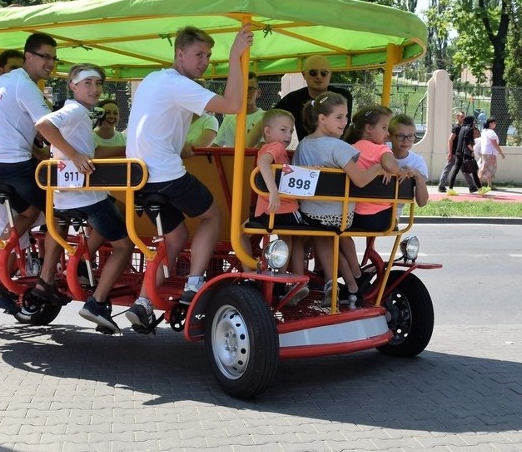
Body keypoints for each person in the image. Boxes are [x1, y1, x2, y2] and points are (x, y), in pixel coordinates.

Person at [123, 24, 253, 331]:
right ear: (179, 54)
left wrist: (180, 148)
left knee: (177, 236)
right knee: (212, 215)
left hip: (139, 177)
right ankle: (194, 283)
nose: (204, 61)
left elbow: (156, 125)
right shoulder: (177, 84)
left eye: (208, 55)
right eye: (198, 55)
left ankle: (142, 303)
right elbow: (233, 105)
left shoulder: (154, 80)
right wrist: (235, 56)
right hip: (163, 173)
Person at [35, 64, 135, 332]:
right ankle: (97, 302)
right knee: (125, 246)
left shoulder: (83, 114)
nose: (95, 88)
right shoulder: (76, 110)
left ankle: (77, 268)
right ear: (73, 86)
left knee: (113, 216)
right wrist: (75, 156)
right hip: (85, 199)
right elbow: (43, 125)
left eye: (98, 83)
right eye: (88, 83)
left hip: (66, 199)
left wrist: (128, 148)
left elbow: (93, 149)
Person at [0, 33, 57, 297]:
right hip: (12, 164)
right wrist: (74, 153)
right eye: (45, 57)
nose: (50, 63)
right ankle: (46, 281)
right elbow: (47, 126)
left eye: (54, 58)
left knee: (31, 213)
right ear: (28, 56)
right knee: (60, 209)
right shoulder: (26, 85)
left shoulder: (3, 82)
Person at [293, 92, 383, 308]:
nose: (345, 123)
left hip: (309, 213)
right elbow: (360, 180)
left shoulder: (303, 145)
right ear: (322, 119)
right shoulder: (338, 147)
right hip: (338, 215)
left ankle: (343, 285)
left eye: (346, 117)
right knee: (331, 233)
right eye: (339, 117)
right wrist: (379, 167)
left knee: (322, 235)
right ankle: (352, 285)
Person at [248, 108, 309, 306]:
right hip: (284, 209)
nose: (288, 136)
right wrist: (273, 192)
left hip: (267, 211)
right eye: (283, 130)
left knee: (242, 234)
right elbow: (263, 163)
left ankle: (250, 270)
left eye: (290, 131)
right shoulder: (276, 148)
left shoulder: (271, 147)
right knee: (294, 237)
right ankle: (288, 281)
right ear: (267, 131)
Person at [343, 105, 403, 231]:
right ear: (369, 128)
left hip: (351, 217)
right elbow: (391, 166)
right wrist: (400, 171)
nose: (387, 134)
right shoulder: (381, 149)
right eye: (384, 128)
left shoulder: (347, 149)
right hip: (381, 218)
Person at [271, 55, 352, 142]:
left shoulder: (342, 95)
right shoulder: (293, 98)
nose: (319, 76)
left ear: (330, 75)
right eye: (313, 73)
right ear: (304, 74)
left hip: (337, 150)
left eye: (324, 73)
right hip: (307, 151)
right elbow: (268, 119)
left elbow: (348, 128)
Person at [388, 113, 430, 210]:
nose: (406, 141)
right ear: (389, 136)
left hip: (393, 214)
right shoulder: (380, 153)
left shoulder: (417, 161)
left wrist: (417, 174)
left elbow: (422, 202)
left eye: (410, 136)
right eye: (400, 136)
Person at [214, 73, 266, 147]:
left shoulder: (266, 118)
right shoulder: (228, 119)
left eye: (251, 89)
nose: (247, 92)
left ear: (258, 92)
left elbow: (263, 146)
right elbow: (216, 146)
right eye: (242, 89)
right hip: (231, 158)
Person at [446, 115, 484, 195]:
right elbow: (467, 141)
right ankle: (480, 189)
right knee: (474, 170)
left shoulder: (462, 128)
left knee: (455, 170)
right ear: (471, 122)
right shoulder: (469, 129)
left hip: (458, 152)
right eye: (473, 121)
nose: (474, 123)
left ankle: (450, 189)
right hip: (465, 153)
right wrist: (472, 150)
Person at [437, 110, 464, 193]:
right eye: (462, 116)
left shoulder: (461, 127)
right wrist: (450, 153)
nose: (463, 118)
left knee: (449, 168)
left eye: (464, 116)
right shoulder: (456, 127)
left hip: (458, 152)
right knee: (453, 168)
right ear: (457, 117)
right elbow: (450, 140)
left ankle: (441, 185)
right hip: (454, 153)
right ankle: (473, 185)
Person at [478, 117, 505, 192]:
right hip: (490, 153)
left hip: (485, 152)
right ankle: (478, 184)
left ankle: (489, 184)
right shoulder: (491, 132)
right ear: (490, 123)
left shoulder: (484, 131)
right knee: (487, 169)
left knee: (487, 168)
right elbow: (494, 144)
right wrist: (501, 153)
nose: (495, 124)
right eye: (494, 123)